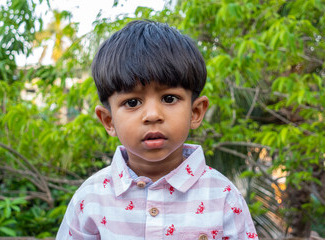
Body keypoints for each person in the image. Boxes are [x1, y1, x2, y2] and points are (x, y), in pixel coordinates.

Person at [56, 20, 258, 240]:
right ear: (108, 121)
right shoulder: (90, 199)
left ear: (196, 112)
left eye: (169, 98)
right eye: (132, 102)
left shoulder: (223, 197)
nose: (152, 114)